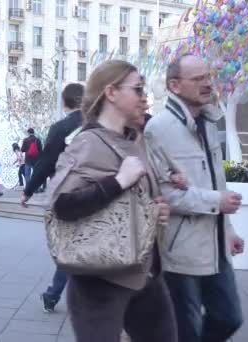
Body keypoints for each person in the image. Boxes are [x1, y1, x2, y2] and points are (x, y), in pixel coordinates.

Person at [49, 60, 175, 341]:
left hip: (145, 273)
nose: (145, 98)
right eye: (138, 89)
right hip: (101, 280)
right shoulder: (88, 143)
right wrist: (118, 181)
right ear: (112, 92)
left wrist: (156, 211)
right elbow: (63, 205)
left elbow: (137, 201)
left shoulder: (134, 140)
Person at [144, 54, 244, 342]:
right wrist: (215, 200)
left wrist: (229, 230)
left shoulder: (210, 122)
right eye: (198, 79)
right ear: (174, 85)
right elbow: (160, 194)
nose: (207, 84)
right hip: (180, 249)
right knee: (187, 329)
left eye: (208, 77)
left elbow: (215, 180)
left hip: (216, 246)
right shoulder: (158, 129)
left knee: (229, 318)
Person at [17, 83, 85, 313]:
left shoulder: (60, 128)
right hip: (101, 193)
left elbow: (46, 163)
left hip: (69, 195)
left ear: (65, 103)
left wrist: (28, 190)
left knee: (69, 246)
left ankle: (54, 294)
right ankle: (55, 293)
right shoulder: (100, 123)